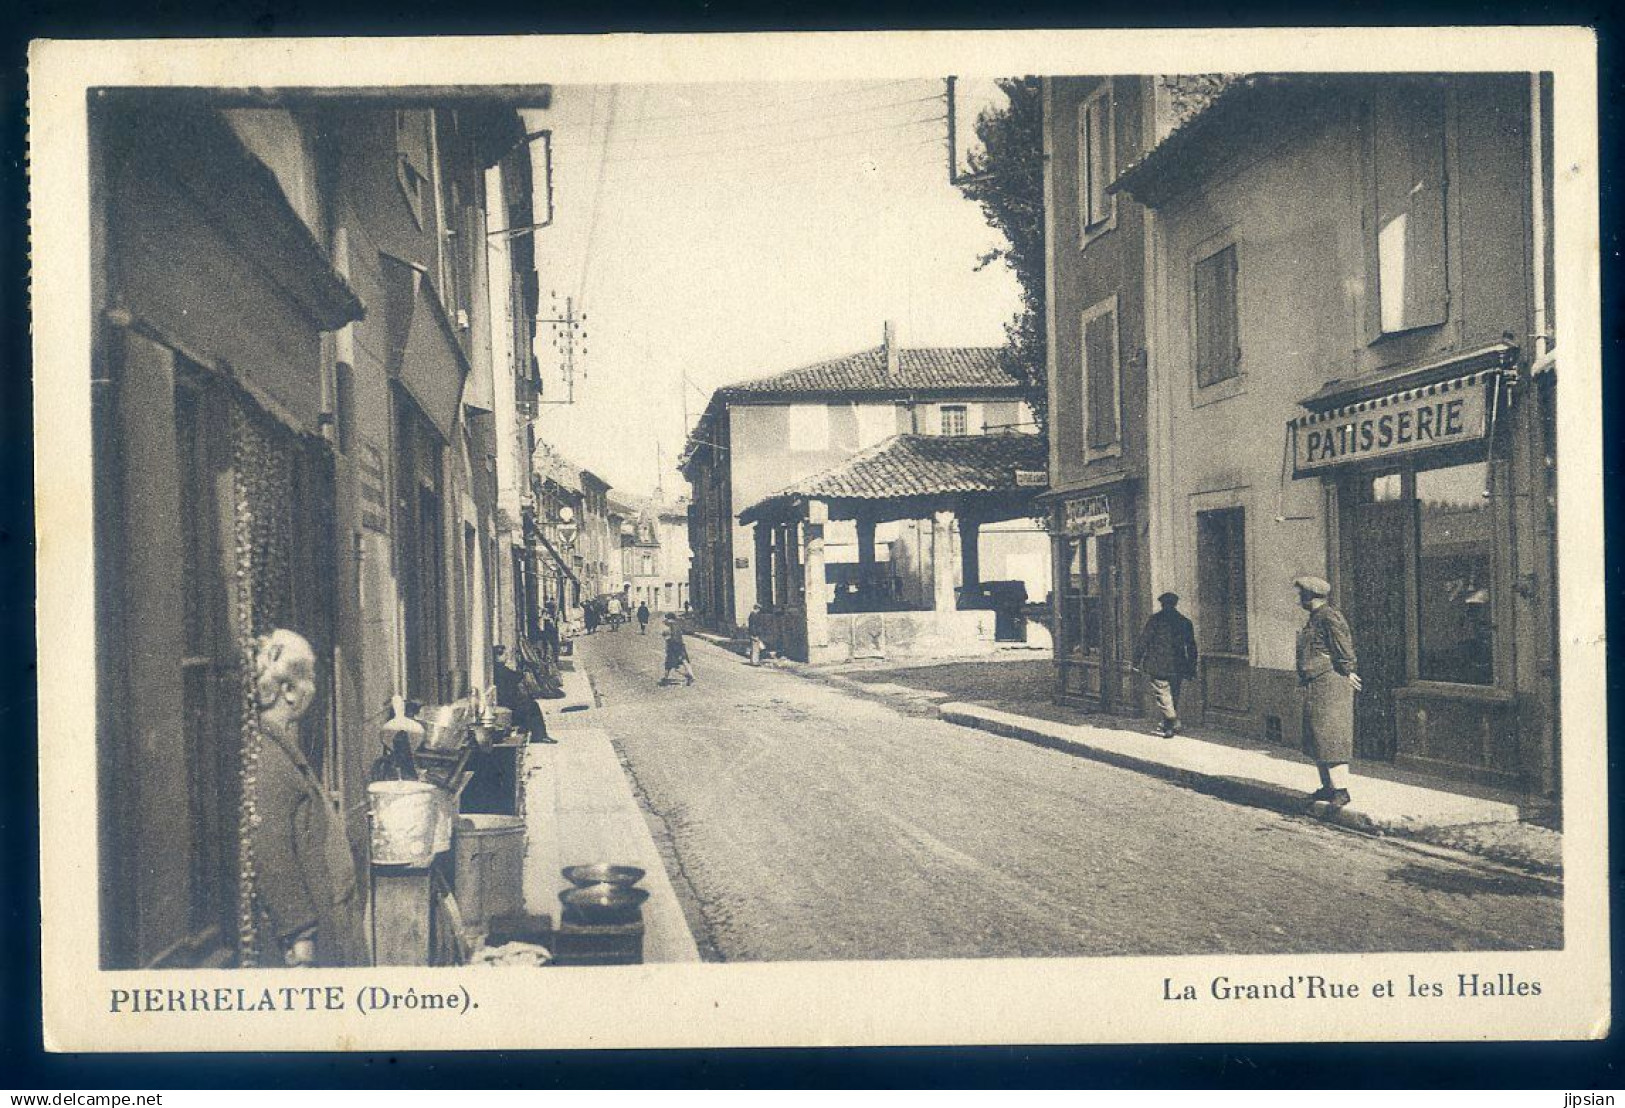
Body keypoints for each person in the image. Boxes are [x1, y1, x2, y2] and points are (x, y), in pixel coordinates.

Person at [249, 629, 364, 967]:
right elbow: (271, 853)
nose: (314, 688)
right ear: (288, 691)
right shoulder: (268, 759)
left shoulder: (279, 747)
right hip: (309, 939)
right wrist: (300, 935)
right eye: (310, 678)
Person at [1294, 575, 1362, 810]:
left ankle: (1341, 791)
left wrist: (1349, 670)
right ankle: (1328, 786)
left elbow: (1343, 647)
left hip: (1330, 683)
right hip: (1316, 683)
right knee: (1317, 736)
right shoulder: (1315, 617)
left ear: (1310, 595)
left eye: (1301, 593)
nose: (1299, 598)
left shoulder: (1329, 616)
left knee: (1331, 737)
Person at [1133, 592, 1198, 737]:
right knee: (1173, 695)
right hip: (1178, 665)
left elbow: (1144, 641)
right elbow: (1191, 647)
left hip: (1157, 665)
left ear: (1162, 604)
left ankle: (1172, 721)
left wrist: (1136, 661)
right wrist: (1191, 667)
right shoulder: (1185, 621)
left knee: (1163, 696)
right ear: (1175, 604)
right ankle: (1168, 727)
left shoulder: (1155, 620)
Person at [659, 613, 695, 686]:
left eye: (666, 618)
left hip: (673, 646)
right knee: (684, 661)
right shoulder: (677, 624)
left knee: (670, 663)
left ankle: (688, 675)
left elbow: (667, 636)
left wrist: (665, 633)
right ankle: (691, 675)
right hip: (681, 645)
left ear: (669, 618)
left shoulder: (670, 626)